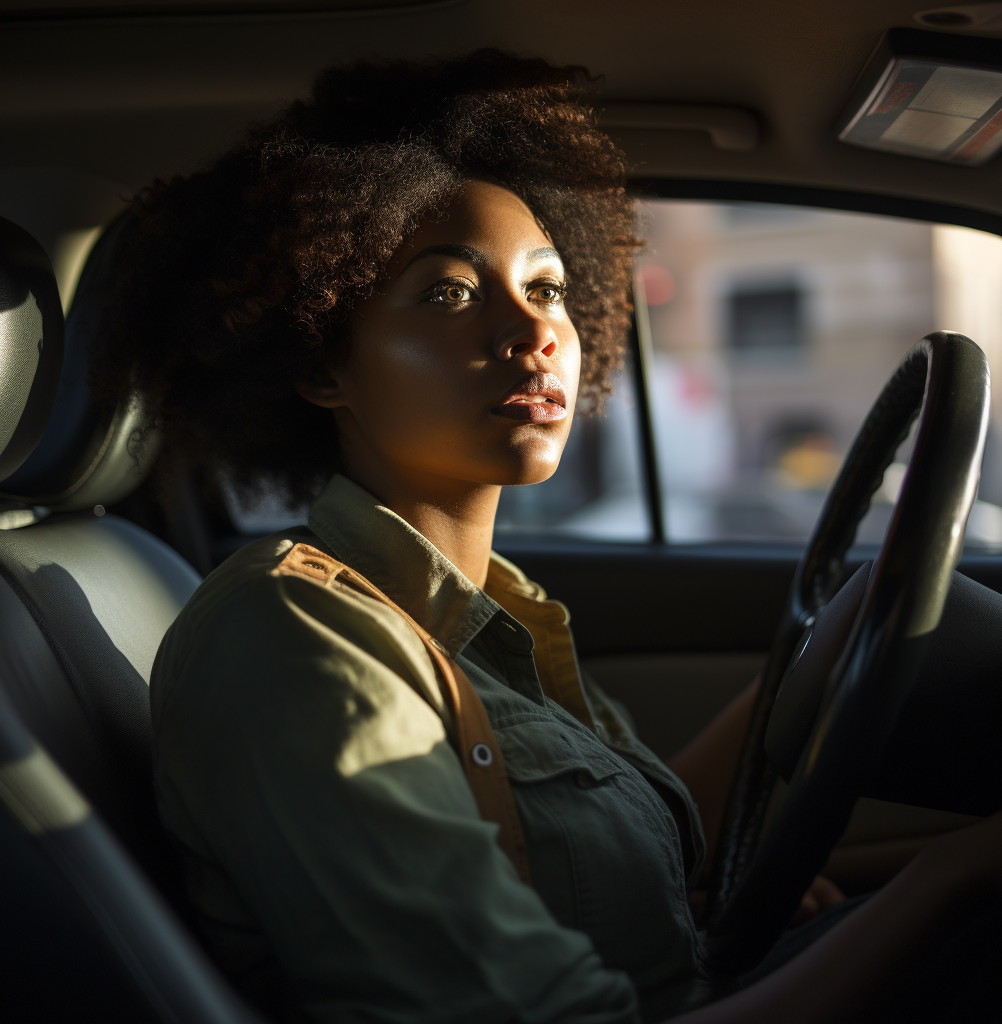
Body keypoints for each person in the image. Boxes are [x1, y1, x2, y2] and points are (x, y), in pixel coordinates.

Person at [92, 50, 1002, 1024]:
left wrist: (822, 659)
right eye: (448, 292)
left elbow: (603, 860)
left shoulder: (491, 609)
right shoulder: (294, 639)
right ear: (321, 367)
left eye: (549, 288)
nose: (534, 335)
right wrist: (951, 877)